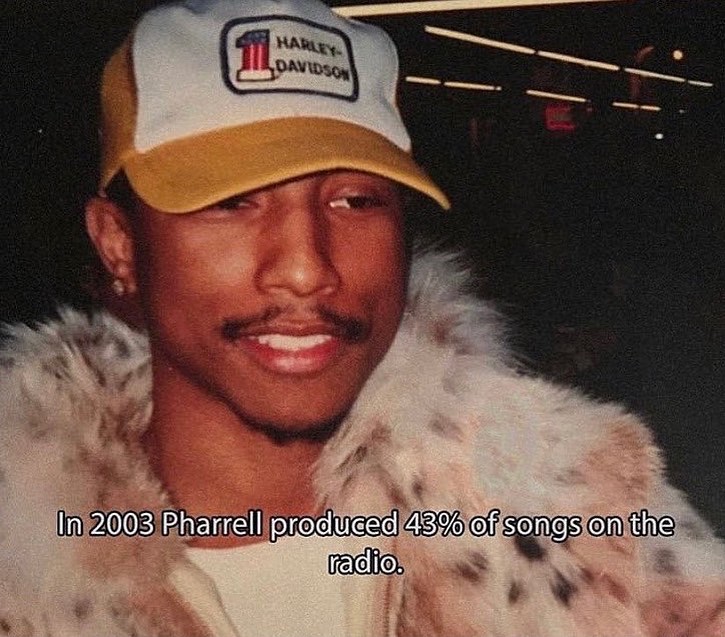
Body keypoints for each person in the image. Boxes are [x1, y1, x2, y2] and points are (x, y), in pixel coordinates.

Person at [0, 0, 723, 635]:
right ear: (119, 245)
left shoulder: (579, 506)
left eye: (354, 200)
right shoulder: (20, 567)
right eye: (230, 202)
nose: (306, 267)